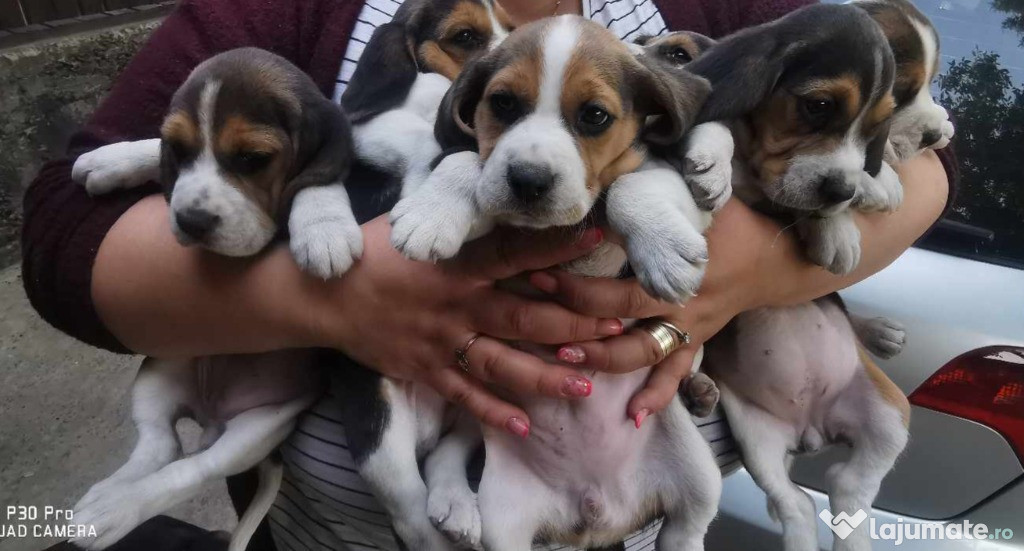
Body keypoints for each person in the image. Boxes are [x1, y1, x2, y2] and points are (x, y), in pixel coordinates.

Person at [21, 0, 956, 549]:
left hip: (633, 471)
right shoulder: (310, 23)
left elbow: (919, 163)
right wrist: (336, 301)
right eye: (490, 92)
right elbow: (63, 230)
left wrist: (736, 278)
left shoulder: (728, 19)